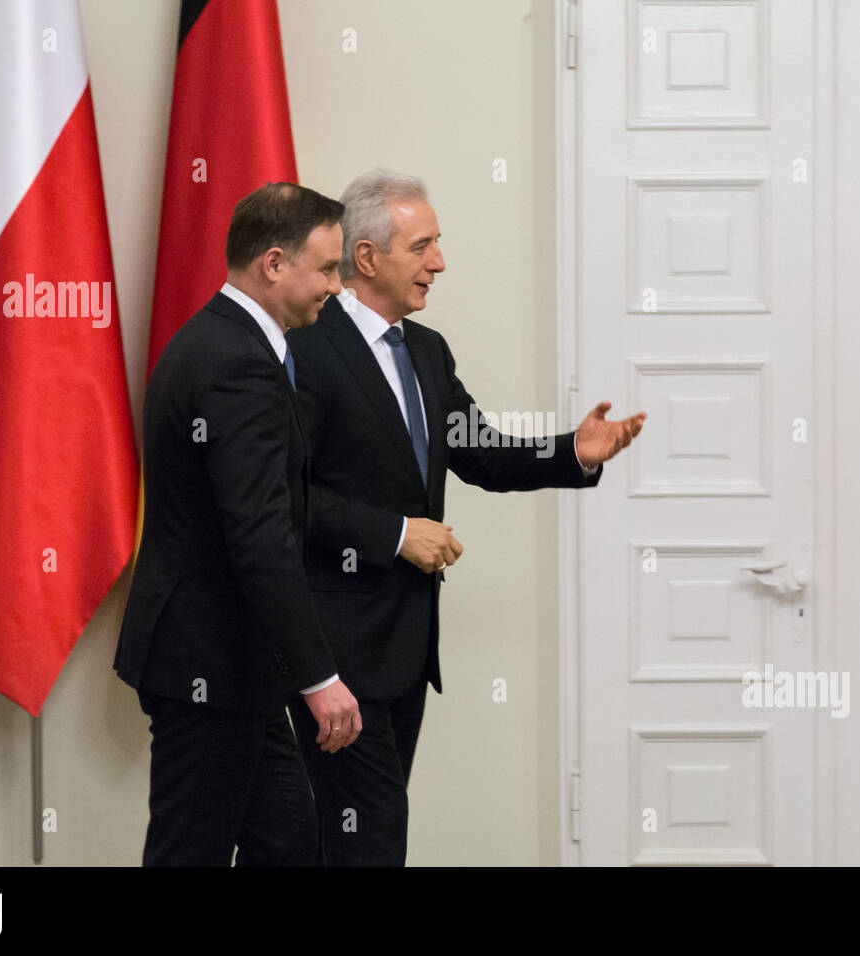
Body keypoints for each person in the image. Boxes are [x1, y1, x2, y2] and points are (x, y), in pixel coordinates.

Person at [286, 169, 646, 865]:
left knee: (365, 838)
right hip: (333, 650)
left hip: (405, 650)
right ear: (367, 258)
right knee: (367, 839)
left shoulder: (425, 349)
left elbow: (478, 453)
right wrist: (396, 535)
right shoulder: (305, 345)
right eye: (423, 246)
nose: (439, 263)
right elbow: (288, 496)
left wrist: (572, 450)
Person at [114, 182, 361, 866]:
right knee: (188, 851)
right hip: (207, 659)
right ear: (274, 264)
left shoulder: (224, 343)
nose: (337, 288)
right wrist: (319, 678)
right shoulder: (234, 365)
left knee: (285, 841)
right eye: (327, 269)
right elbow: (258, 536)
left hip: (234, 665)